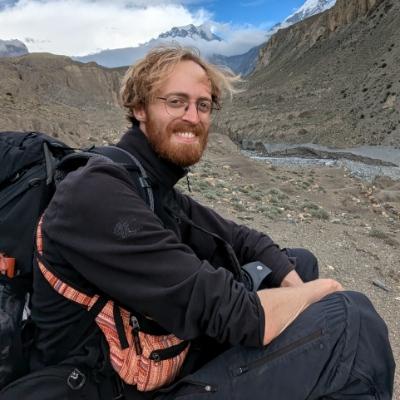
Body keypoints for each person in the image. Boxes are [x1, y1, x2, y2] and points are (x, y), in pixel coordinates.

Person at [1, 46, 394, 400]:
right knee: (351, 319)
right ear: (139, 108)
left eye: (203, 105)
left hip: (156, 355)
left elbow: (244, 239)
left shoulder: (148, 182)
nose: (193, 117)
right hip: (112, 386)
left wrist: (296, 284)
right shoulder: (95, 193)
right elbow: (235, 314)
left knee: (299, 262)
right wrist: (320, 292)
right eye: (176, 102)